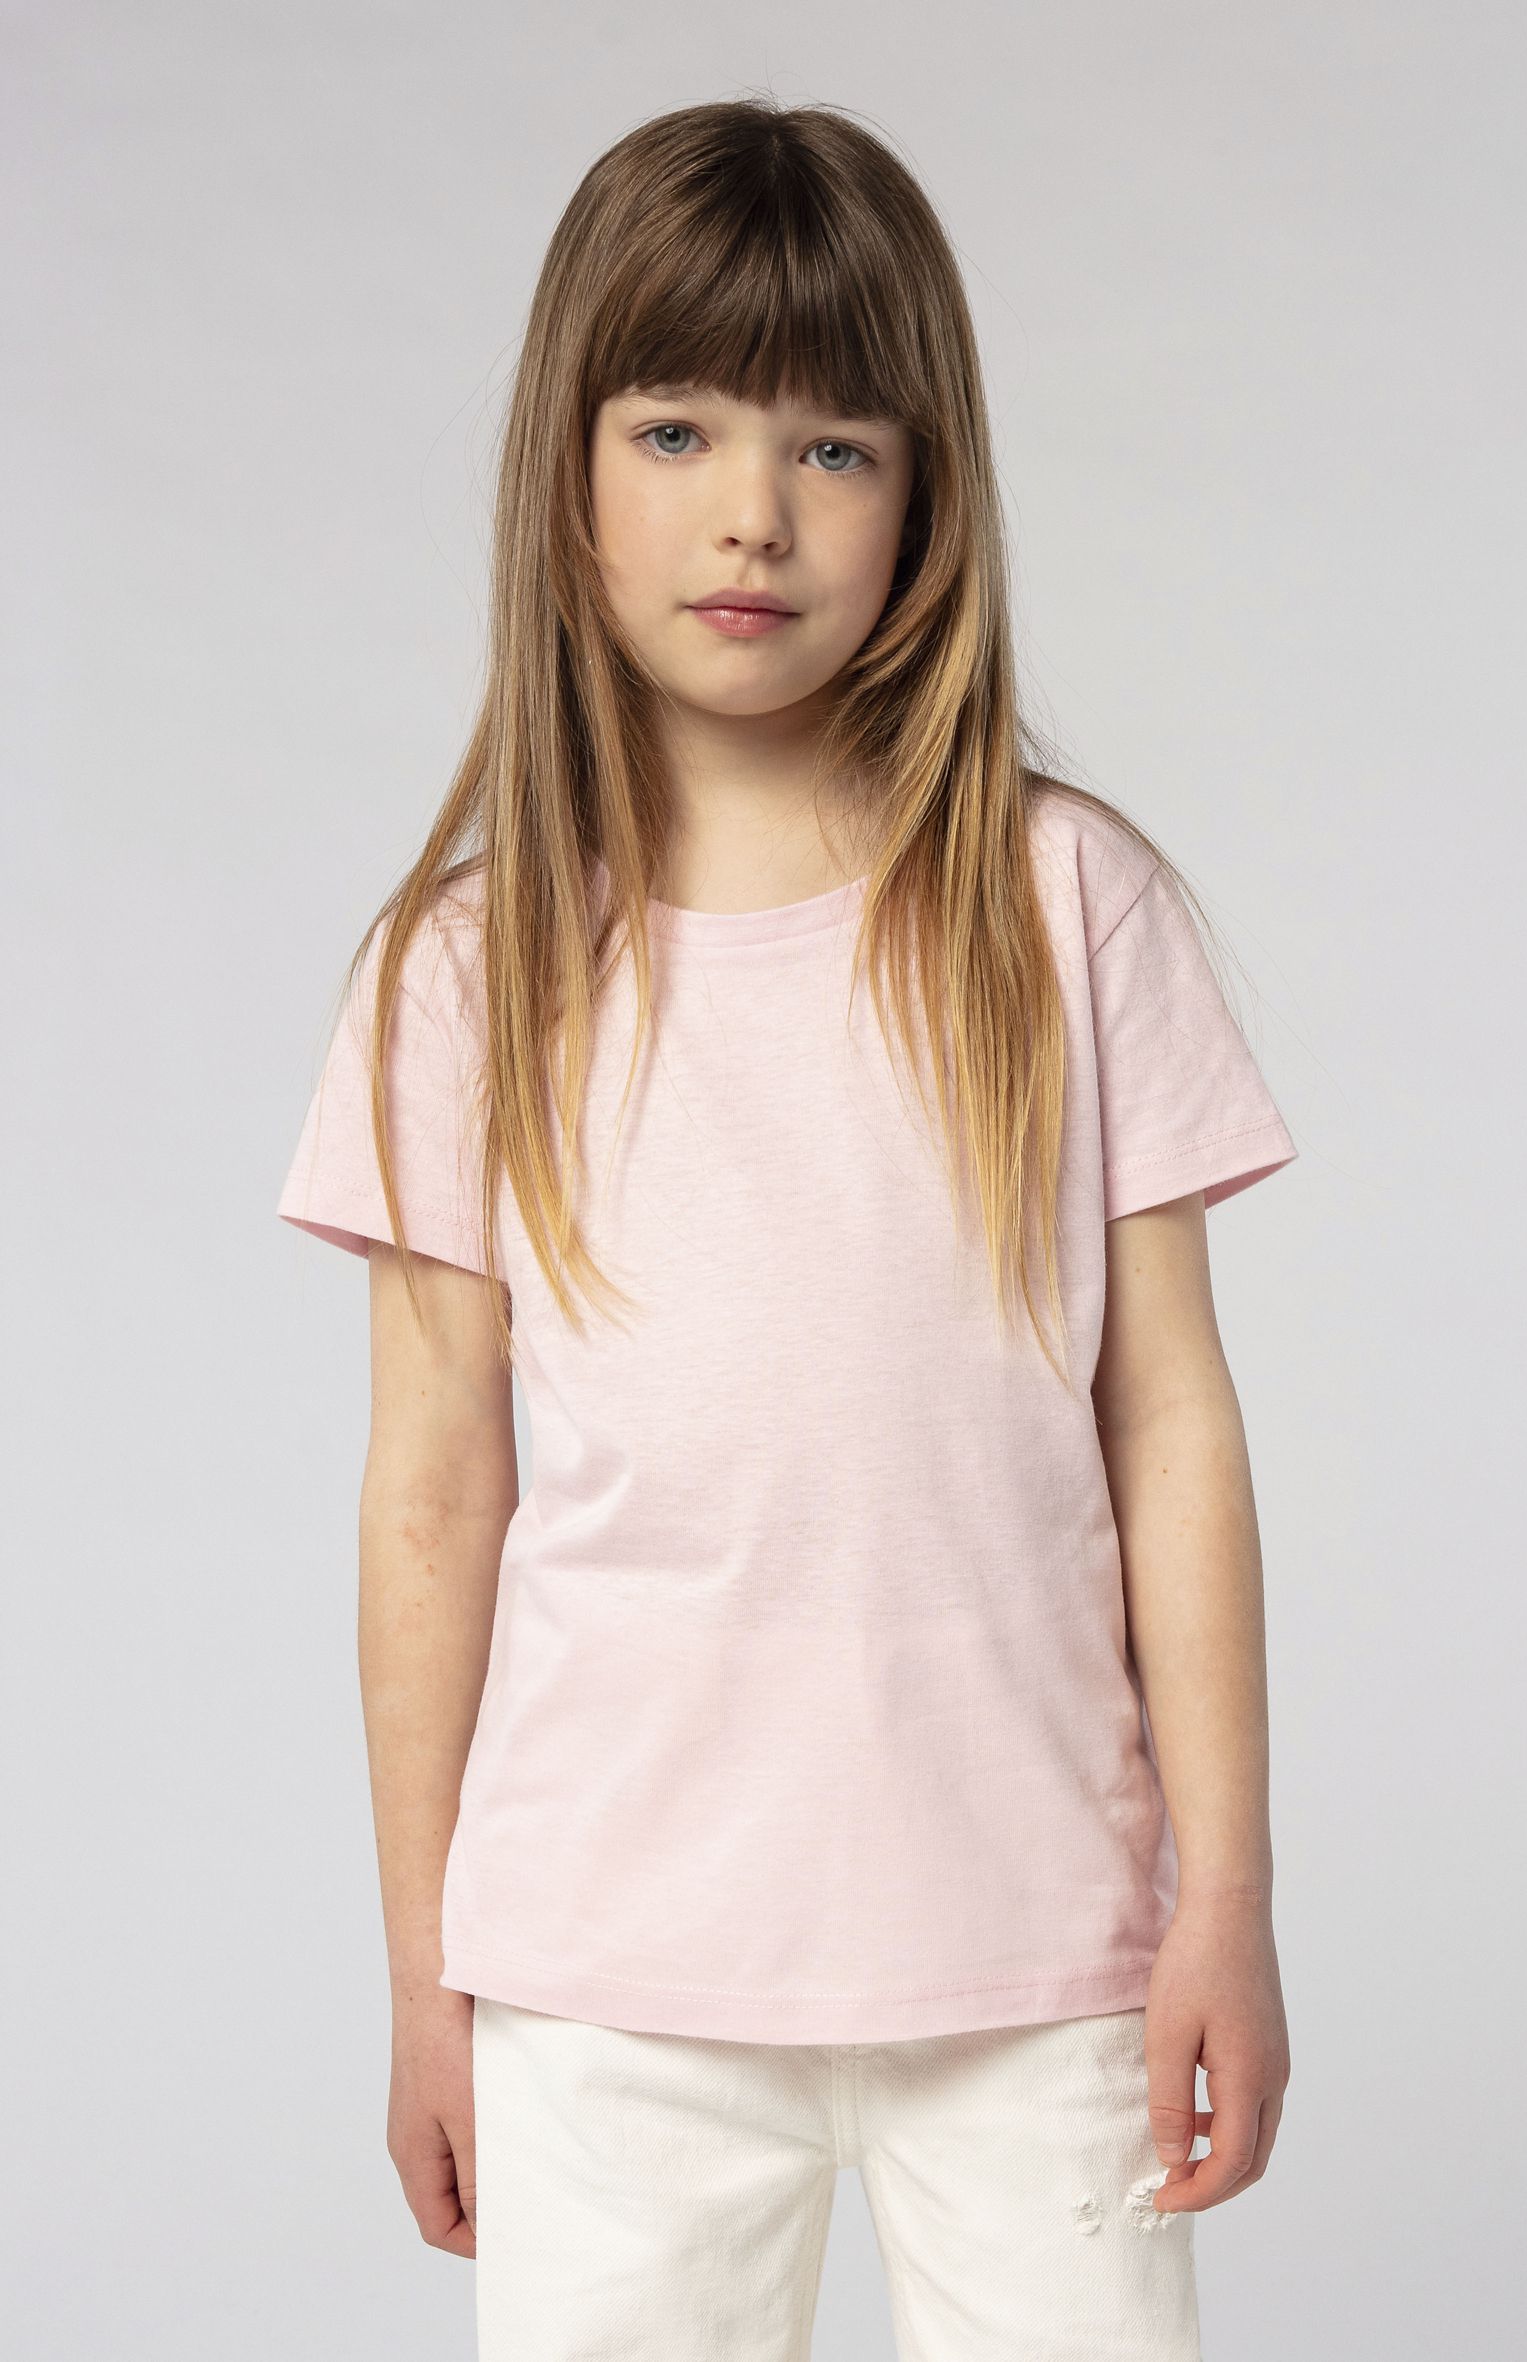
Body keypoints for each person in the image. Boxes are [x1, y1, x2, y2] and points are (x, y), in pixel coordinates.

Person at [276, 96, 1298, 2362]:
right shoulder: (463, 976)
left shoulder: (1062, 905)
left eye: (834, 444)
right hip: (605, 1972)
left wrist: (1221, 1894)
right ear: (566, 470)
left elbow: (1171, 1423)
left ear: (927, 494)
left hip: (1042, 1951)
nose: (753, 509)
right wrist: (427, 1971)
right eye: (677, 430)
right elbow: (432, 1490)